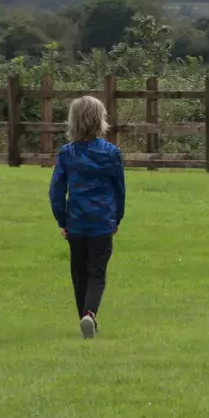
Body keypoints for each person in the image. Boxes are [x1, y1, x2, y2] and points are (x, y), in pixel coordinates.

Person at [49, 95, 126, 339]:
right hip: (102, 223)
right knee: (96, 274)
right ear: (100, 120)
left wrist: (63, 221)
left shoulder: (67, 154)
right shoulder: (112, 153)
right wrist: (117, 219)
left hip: (77, 224)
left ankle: (86, 318)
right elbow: (119, 191)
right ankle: (90, 315)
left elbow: (56, 192)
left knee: (79, 274)